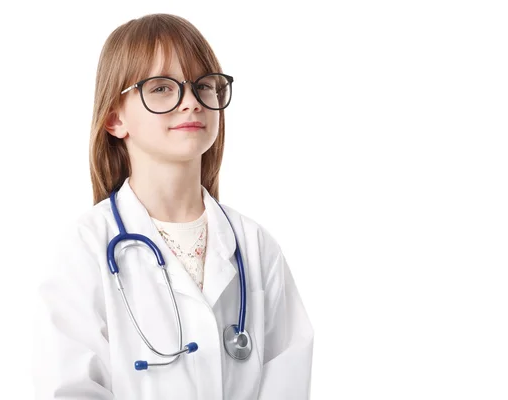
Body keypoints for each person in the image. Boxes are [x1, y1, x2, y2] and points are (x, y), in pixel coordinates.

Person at [32, 13, 314, 400]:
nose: (191, 102)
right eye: (162, 88)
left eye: (203, 86)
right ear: (114, 117)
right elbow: (70, 389)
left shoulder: (255, 246)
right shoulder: (86, 247)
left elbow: (288, 381)